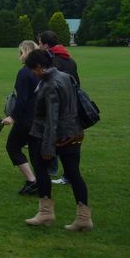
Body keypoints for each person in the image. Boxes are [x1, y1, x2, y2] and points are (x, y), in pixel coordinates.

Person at [23, 49, 92, 231]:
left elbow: (52, 119)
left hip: (56, 136)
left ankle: (46, 213)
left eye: (33, 69)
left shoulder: (50, 84)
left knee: (41, 169)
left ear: (38, 66)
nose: (33, 73)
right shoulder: (66, 77)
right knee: (74, 173)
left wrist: (47, 148)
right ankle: (84, 217)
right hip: (74, 132)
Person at [38, 30, 81, 185]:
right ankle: (69, 174)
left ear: (45, 44)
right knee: (70, 141)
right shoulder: (69, 59)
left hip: (57, 106)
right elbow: (77, 84)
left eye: (40, 43)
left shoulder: (53, 61)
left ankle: (54, 171)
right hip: (72, 106)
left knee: (55, 138)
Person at [1, 41, 40, 195]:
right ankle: (41, 182)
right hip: (38, 118)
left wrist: (12, 117)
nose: (19, 56)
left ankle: (32, 181)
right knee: (35, 150)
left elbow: (22, 99)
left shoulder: (24, 73)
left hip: (26, 119)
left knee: (13, 147)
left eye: (21, 52)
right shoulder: (40, 71)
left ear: (26, 53)